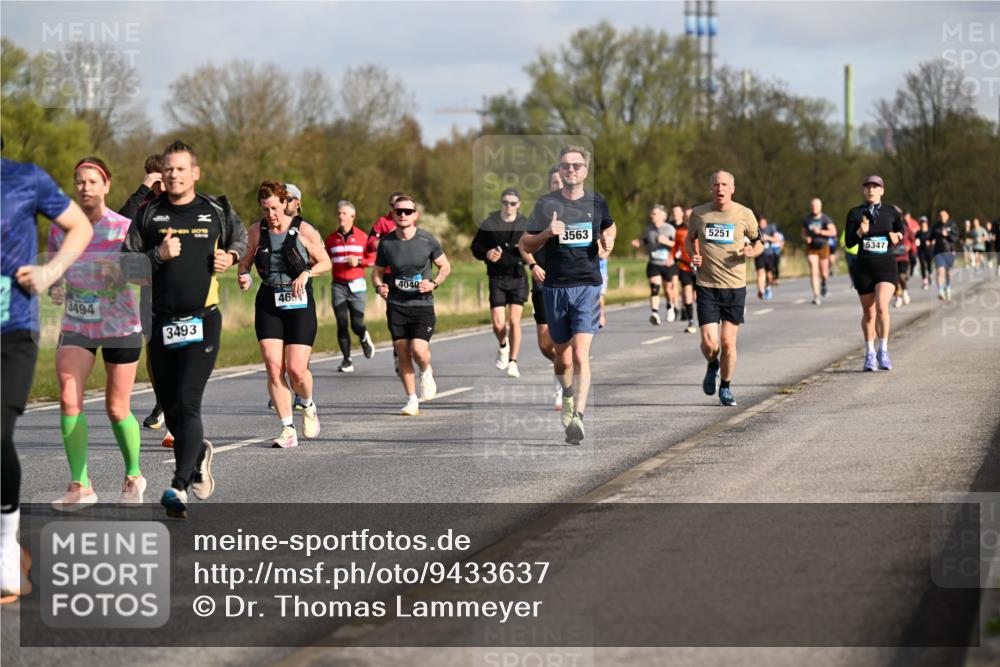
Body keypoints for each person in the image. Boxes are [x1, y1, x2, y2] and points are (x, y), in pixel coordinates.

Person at [123, 140, 248, 518]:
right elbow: (125, 266)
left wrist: (232, 256)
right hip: (160, 322)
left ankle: (178, 486)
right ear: (161, 174)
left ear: (195, 173)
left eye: (181, 168)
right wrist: (156, 256)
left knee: (188, 401)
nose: (174, 174)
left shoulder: (216, 210)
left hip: (202, 321)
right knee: (173, 409)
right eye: (169, 169)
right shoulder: (148, 214)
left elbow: (241, 238)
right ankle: (197, 457)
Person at [2, 154, 92, 604]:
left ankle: (5, 546)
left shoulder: (24, 178)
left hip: (11, 330)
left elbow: (80, 227)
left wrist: (49, 271)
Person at [48, 157, 146, 510]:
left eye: (92, 181)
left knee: (117, 408)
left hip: (120, 325)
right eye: (79, 181)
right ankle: (81, 485)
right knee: (68, 397)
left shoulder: (124, 228)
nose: (85, 187)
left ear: (106, 186)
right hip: (78, 323)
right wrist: (55, 285)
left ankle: (133, 475)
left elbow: (144, 274)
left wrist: (120, 272)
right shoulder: (60, 228)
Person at [521, 146, 616, 445]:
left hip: (587, 285)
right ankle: (567, 394)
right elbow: (525, 244)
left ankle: (579, 417)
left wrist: (608, 241)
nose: (571, 169)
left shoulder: (597, 202)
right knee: (562, 359)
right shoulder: (546, 204)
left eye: (577, 165)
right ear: (560, 171)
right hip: (555, 288)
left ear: (585, 170)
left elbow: (610, 227)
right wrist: (546, 234)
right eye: (565, 166)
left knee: (579, 354)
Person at [238, 181, 330, 448]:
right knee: (273, 366)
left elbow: (325, 261)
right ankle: (287, 429)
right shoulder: (255, 231)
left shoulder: (303, 229)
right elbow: (245, 263)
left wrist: (307, 273)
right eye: (265, 209)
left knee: (296, 370)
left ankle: (308, 404)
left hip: (299, 301)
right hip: (269, 301)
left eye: (275, 208)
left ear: (285, 204)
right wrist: (244, 276)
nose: (271, 215)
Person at [686, 170, 762, 407]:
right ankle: (713, 364)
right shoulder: (699, 213)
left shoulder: (744, 214)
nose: (720, 189)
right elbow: (689, 239)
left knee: (728, 342)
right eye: (717, 184)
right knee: (710, 344)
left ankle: (726, 387)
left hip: (734, 286)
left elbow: (759, 242)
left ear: (732, 188)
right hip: (707, 285)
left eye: (725, 185)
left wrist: (752, 251)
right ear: (711, 188)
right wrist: (693, 255)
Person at [372, 195, 451, 416]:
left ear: (415, 215)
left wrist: (434, 283)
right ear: (393, 214)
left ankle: (425, 371)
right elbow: (377, 272)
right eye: (399, 211)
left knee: (418, 349)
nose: (403, 215)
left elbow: (445, 266)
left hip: (422, 304)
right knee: (402, 352)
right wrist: (379, 287)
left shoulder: (427, 240)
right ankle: (411, 399)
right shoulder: (386, 243)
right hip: (396, 304)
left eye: (408, 211)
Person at [119, 154, 175, 445]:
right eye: (155, 182)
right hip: (150, 288)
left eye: (163, 180)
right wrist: (143, 189)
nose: (160, 187)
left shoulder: (181, 202)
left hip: (180, 288)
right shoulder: (143, 206)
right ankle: (162, 401)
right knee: (154, 354)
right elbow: (118, 225)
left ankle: (176, 418)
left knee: (178, 351)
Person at [844, 175, 905, 372]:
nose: (871, 190)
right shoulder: (855, 213)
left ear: (882, 191)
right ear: (864, 191)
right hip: (864, 268)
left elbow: (901, 232)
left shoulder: (891, 212)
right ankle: (870, 353)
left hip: (886, 266)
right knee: (869, 313)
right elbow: (849, 243)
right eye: (868, 187)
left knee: (881, 307)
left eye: (875, 187)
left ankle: (883, 350)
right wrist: (860, 232)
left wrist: (897, 236)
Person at [472, 188, 529, 378]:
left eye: (512, 203)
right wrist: (486, 253)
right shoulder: (490, 223)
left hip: (518, 276)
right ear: (501, 203)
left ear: (518, 204)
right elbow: (475, 247)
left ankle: (513, 362)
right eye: (505, 202)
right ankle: (503, 346)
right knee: (498, 323)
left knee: (514, 321)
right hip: (497, 277)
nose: (508, 206)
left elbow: (535, 245)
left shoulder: (525, 224)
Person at [519, 166, 562, 409]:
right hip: (543, 282)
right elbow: (523, 245)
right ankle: (563, 365)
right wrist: (533, 265)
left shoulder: (581, 208)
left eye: (562, 181)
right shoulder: (541, 210)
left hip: (570, 283)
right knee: (546, 345)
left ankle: (562, 383)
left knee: (565, 341)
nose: (559, 185)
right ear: (549, 186)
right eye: (555, 182)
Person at [325, 200, 376, 374]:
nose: (341, 216)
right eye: (339, 213)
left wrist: (359, 261)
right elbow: (324, 259)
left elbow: (374, 260)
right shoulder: (331, 239)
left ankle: (363, 335)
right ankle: (347, 360)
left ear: (353, 216)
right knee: (341, 323)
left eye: (344, 213)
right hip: (338, 286)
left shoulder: (363, 237)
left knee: (356, 324)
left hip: (357, 285)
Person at [631, 204, 676, 325]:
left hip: (667, 263)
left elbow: (676, 245)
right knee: (654, 287)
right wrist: (638, 242)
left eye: (654, 214)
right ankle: (655, 313)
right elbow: (645, 240)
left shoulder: (669, 229)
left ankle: (670, 306)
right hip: (653, 262)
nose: (652, 216)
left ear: (662, 216)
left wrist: (666, 242)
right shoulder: (649, 229)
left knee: (668, 288)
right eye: (651, 214)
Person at [801, 198, 837, 305]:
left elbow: (833, 232)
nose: (814, 208)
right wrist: (806, 238)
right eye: (812, 206)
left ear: (820, 207)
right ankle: (816, 295)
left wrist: (820, 231)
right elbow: (803, 233)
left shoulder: (825, 219)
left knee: (824, 273)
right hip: (811, 248)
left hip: (823, 246)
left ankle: (824, 283)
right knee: (813, 269)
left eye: (816, 206)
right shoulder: (806, 219)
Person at [672, 206, 698, 334]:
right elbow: (674, 248)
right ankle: (691, 321)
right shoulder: (680, 232)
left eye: (691, 216)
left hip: (700, 267)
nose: (689, 218)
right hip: (685, 266)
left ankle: (708, 318)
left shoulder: (702, 230)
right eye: (687, 216)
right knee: (687, 293)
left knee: (698, 295)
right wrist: (672, 259)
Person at [931, 209, 959, 301]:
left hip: (949, 251)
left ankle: (948, 286)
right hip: (938, 252)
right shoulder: (935, 226)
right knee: (940, 271)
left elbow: (956, 238)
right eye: (940, 216)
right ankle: (940, 291)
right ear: (939, 217)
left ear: (948, 216)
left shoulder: (952, 225)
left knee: (948, 273)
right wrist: (928, 240)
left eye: (944, 215)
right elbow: (930, 236)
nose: (942, 217)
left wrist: (948, 234)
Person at [893, 206, 916, 308]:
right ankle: (898, 297)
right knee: (894, 279)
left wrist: (909, 246)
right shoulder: (888, 227)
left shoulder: (905, 228)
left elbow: (913, 240)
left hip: (903, 256)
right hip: (892, 256)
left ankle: (905, 291)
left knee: (902, 276)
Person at [754, 217, 780, 301]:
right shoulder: (756, 229)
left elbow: (777, 239)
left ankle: (768, 287)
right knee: (760, 272)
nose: (762, 225)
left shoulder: (771, 228)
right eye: (760, 223)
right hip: (759, 254)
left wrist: (768, 238)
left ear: (766, 223)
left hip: (769, 255)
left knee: (769, 275)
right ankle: (761, 291)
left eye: (763, 223)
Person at [915, 216, 934, 289]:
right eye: (921, 222)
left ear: (926, 223)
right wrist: (916, 242)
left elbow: (934, 239)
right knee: (922, 265)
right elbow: (915, 240)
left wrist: (930, 242)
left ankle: (930, 275)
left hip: (929, 251)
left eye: (924, 222)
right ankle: (925, 282)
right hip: (921, 251)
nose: (923, 224)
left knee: (929, 265)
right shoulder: (918, 233)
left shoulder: (930, 231)